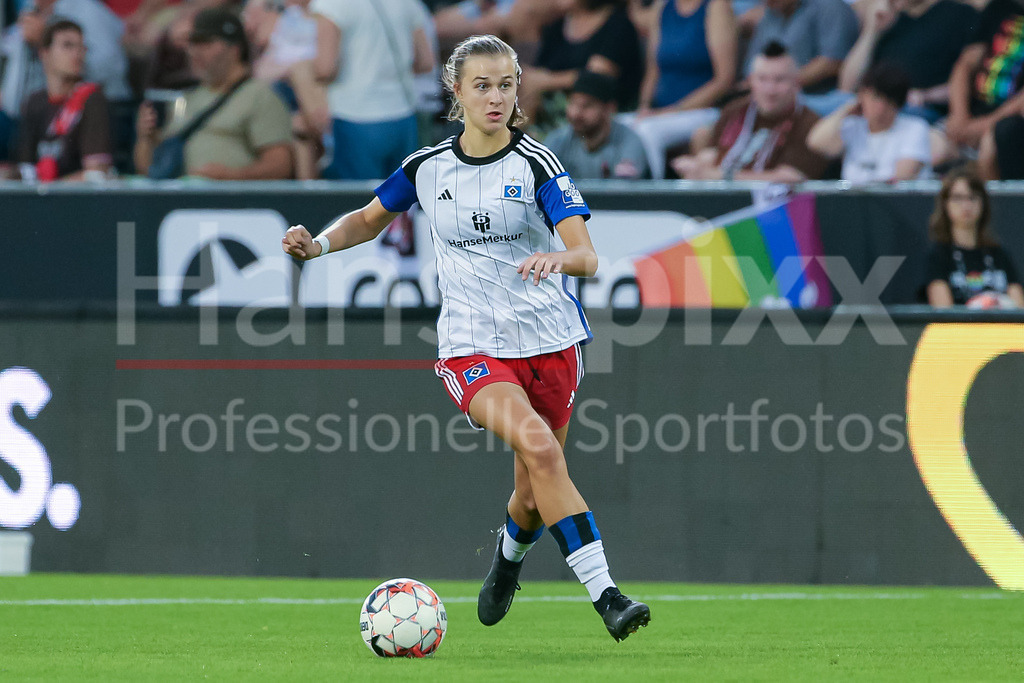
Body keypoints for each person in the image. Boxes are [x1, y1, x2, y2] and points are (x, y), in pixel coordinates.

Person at [282, 34, 651, 642]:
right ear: (456, 91)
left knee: (531, 491)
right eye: (482, 85)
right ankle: (608, 597)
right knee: (543, 451)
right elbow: (369, 220)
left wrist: (558, 259)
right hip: (472, 346)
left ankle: (507, 559)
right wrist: (317, 245)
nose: (496, 97)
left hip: (551, 341)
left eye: (506, 85)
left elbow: (586, 256)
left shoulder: (537, 164)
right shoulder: (427, 167)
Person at [133, 7, 294, 179]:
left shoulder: (260, 96)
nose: (194, 52)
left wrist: (232, 176)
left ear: (234, 49)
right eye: (192, 44)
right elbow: (148, 170)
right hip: (183, 192)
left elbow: (281, 165)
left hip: (229, 195)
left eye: (206, 43)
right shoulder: (185, 99)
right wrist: (145, 138)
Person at [308, 0, 435, 180]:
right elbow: (426, 61)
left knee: (358, 195)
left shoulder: (331, 3)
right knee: (400, 194)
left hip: (355, 117)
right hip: (403, 115)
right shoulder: (409, 3)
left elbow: (325, 68)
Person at [671, 41, 828, 182]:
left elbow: (789, 178)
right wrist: (695, 166)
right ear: (750, 81)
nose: (770, 89)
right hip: (720, 197)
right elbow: (713, 155)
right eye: (762, 79)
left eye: (779, 80)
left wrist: (720, 176)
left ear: (796, 82)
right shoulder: (735, 110)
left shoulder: (809, 123)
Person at [624, 0, 738, 179]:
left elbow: (724, 80)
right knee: (621, 125)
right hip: (662, 112)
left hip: (703, 110)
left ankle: (651, 189)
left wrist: (672, 110)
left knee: (647, 131)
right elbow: (653, 71)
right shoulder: (662, 8)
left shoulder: (716, 7)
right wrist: (644, 106)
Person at [838, 0, 978, 124]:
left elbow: (972, 80)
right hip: (871, 103)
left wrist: (925, 96)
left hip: (919, 110)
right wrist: (872, 31)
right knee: (831, 105)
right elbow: (846, 87)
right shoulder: (890, 20)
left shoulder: (960, 15)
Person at [15, 19, 112, 182]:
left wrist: (48, 189)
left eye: (81, 47)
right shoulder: (34, 101)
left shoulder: (92, 99)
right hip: (40, 192)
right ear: (44, 53)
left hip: (74, 196)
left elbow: (96, 174)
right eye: (68, 45)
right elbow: (25, 167)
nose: (77, 53)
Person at [519, 0, 643, 126]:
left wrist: (545, 81)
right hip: (555, 116)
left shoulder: (618, 25)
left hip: (604, 121)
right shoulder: (556, 26)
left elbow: (597, 75)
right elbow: (537, 72)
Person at [806, 61, 931, 184]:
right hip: (853, 197)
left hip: (892, 197)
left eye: (888, 102)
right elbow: (816, 143)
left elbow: (903, 177)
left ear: (897, 104)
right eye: (874, 97)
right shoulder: (853, 126)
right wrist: (845, 111)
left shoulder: (915, 128)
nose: (880, 108)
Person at [924, 166, 1024, 308]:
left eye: (972, 197)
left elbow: (1019, 308)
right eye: (958, 198)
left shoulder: (999, 255)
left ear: (983, 203)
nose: (966, 205)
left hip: (1000, 322)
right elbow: (943, 311)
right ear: (945, 204)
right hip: (960, 323)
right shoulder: (939, 256)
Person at [945, 0, 1024, 151]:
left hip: (1007, 125)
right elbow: (966, 64)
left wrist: (984, 126)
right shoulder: (999, 7)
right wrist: (959, 118)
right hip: (969, 117)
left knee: (992, 143)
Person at [742, 0, 858, 100]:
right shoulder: (770, 13)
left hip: (819, 99)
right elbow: (752, 66)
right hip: (771, 99)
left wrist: (779, 85)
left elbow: (833, 62)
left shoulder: (830, 6)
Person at [545, 70, 651, 178]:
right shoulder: (559, 140)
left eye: (587, 106)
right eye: (573, 103)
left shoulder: (628, 141)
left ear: (609, 108)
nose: (575, 113)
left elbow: (626, 187)